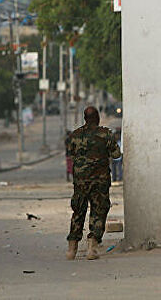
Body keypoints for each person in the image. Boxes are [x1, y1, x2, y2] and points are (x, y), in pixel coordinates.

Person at [65, 106, 121, 261]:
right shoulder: (106, 134)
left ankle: (72, 248)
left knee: (78, 211)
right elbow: (116, 155)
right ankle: (92, 246)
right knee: (99, 210)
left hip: (81, 181)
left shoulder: (75, 135)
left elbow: (70, 153)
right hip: (100, 180)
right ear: (97, 118)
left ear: (84, 118)